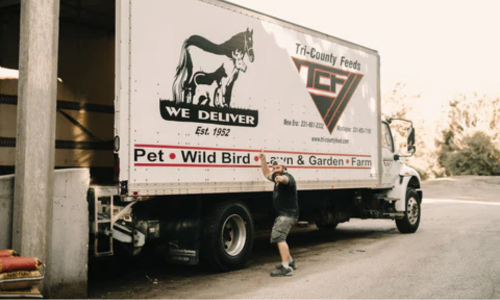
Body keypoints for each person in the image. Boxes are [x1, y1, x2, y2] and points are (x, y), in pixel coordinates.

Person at [259, 150, 299, 277]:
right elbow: (266, 173)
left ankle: (285, 267)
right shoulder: (275, 178)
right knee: (280, 237)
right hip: (284, 215)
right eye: (274, 168)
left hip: (288, 215)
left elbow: (286, 180)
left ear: (284, 168)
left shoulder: (288, 178)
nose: (276, 170)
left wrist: (281, 178)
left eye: (278, 168)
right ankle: (290, 262)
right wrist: (263, 160)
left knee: (278, 237)